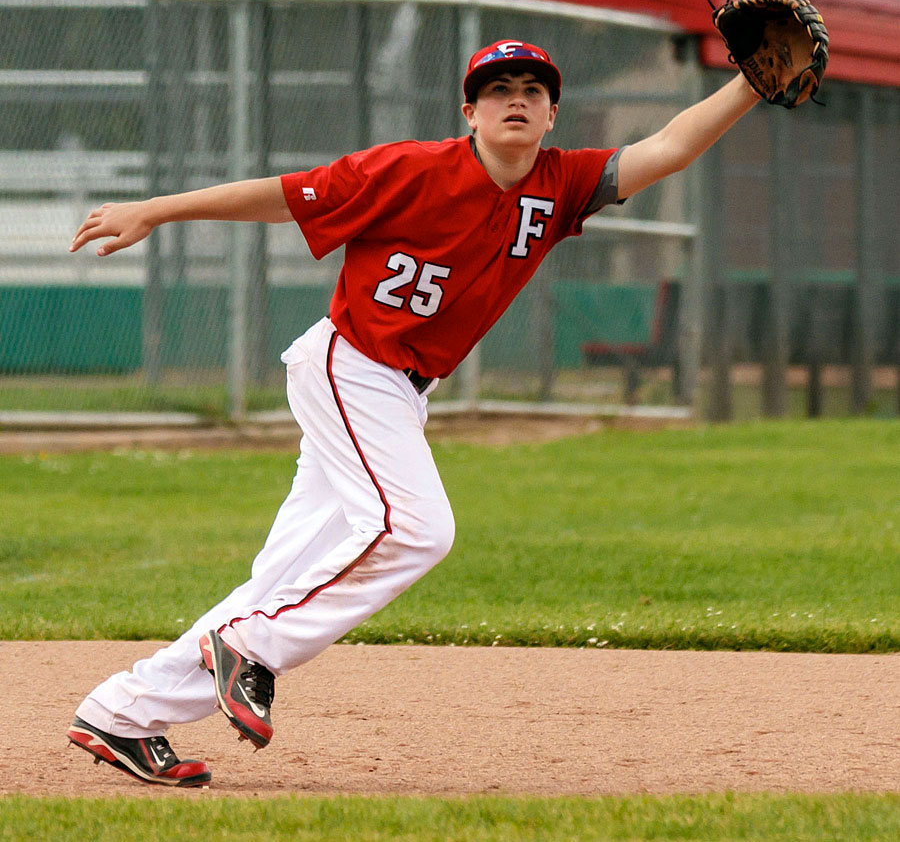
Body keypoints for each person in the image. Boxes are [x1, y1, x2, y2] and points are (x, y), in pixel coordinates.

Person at [65, 38, 759, 787]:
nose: (516, 98)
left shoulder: (561, 185)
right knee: (417, 529)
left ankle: (122, 713)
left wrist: (750, 83)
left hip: (396, 392)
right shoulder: (409, 170)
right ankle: (251, 648)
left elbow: (672, 146)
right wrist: (157, 211)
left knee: (284, 580)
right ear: (469, 112)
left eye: (532, 87)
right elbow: (286, 195)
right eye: (497, 89)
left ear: (554, 112)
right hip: (350, 364)